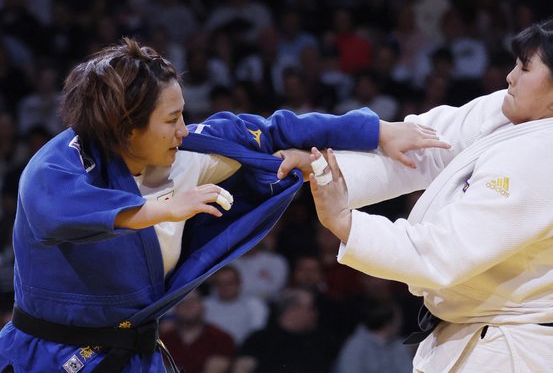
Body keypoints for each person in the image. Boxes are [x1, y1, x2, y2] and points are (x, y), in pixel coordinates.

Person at [0, 37, 447, 372]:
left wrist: (377, 132)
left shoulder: (190, 150)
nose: (183, 129)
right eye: (171, 119)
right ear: (126, 127)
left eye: (183, 115)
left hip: (134, 355)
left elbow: (276, 130)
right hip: (50, 355)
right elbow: (52, 211)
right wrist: (163, 208)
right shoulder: (59, 163)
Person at [280, 15, 553, 372]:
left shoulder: (544, 163)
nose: (510, 77)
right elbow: (424, 145)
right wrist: (324, 166)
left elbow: (439, 255)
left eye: (525, 68)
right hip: (497, 339)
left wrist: (345, 222)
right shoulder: (537, 114)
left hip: (520, 356)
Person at [233, 288, 338, 373]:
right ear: (293, 310)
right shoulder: (259, 339)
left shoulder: (323, 342)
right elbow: (242, 369)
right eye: (310, 308)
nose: (315, 314)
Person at [159, 289, 236, 373]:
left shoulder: (221, 338)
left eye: (193, 301)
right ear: (175, 309)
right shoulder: (163, 340)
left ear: (202, 305)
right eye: (182, 302)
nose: (188, 306)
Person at [334, 298, 413, 373]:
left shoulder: (399, 346)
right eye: (398, 319)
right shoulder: (356, 346)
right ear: (388, 323)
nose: (400, 323)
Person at [203, 266, 269, 346]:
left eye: (230, 283)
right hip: (211, 351)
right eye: (220, 284)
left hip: (244, 351)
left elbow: (257, 335)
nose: (225, 287)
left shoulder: (254, 304)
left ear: (239, 283)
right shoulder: (204, 305)